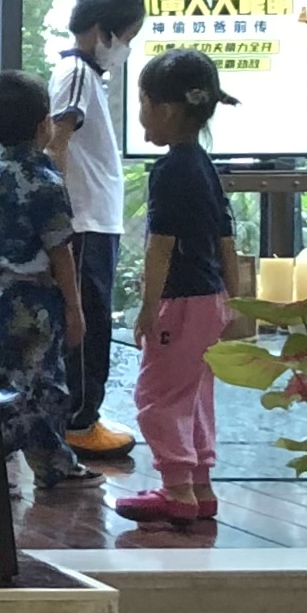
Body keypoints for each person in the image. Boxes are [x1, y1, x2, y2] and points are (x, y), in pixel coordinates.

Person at [118, 49, 242, 530]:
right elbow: (225, 237)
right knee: (194, 392)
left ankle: (175, 488)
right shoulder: (204, 164)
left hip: (180, 301)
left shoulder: (169, 170)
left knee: (157, 394)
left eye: (144, 103)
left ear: (167, 109)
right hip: (210, 300)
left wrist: (149, 308)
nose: (142, 114)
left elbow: (160, 246)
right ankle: (200, 484)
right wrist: (234, 299)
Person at [0, 72, 103, 498]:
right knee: (45, 384)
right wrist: (74, 306)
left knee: (10, 382)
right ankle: (1, 458)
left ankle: (35, 462)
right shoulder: (45, 181)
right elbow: (59, 248)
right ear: (43, 126)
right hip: (36, 300)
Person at [48, 0, 143, 462]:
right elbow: (58, 142)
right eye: (126, 37)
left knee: (95, 318)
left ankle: (83, 415)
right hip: (84, 219)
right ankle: (79, 420)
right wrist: (57, 211)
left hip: (95, 219)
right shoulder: (77, 74)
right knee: (86, 323)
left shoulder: (84, 74)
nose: (125, 48)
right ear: (104, 31)